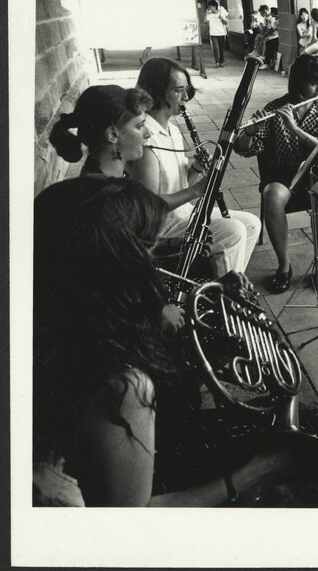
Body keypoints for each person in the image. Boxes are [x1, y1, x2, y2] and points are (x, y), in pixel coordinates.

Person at [32, 176, 301, 506]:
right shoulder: (124, 388)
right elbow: (135, 514)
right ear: (115, 269)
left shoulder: (69, 323)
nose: (156, 261)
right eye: (147, 248)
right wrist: (250, 476)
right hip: (169, 473)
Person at [130, 58, 261, 273]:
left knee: (251, 224)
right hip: (161, 227)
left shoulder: (172, 129)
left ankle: (227, 282)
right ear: (157, 92)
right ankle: (224, 292)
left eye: (186, 90)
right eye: (178, 91)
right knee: (233, 231)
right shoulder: (147, 140)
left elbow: (178, 184)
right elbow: (150, 206)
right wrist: (197, 190)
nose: (185, 97)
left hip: (182, 214)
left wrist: (195, 170)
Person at [234, 55, 318, 294]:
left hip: (315, 170)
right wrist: (250, 132)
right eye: (314, 83)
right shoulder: (274, 108)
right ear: (298, 83)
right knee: (271, 195)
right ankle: (284, 266)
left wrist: (294, 128)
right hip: (283, 174)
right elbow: (248, 149)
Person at [49, 85, 153, 178]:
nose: (148, 134)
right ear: (112, 135)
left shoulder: (104, 175)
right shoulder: (105, 195)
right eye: (140, 126)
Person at [206, 0, 228, 67]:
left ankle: (221, 62)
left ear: (214, 6)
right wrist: (206, 14)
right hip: (213, 33)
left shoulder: (221, 13)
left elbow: (226, 22)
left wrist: (222, 18)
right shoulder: (209, 15)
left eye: (210, 7)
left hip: (221, 33)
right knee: (215, 48)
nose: (209, 8)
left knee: (221, 48)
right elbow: (205, 21)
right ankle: (217, 62)